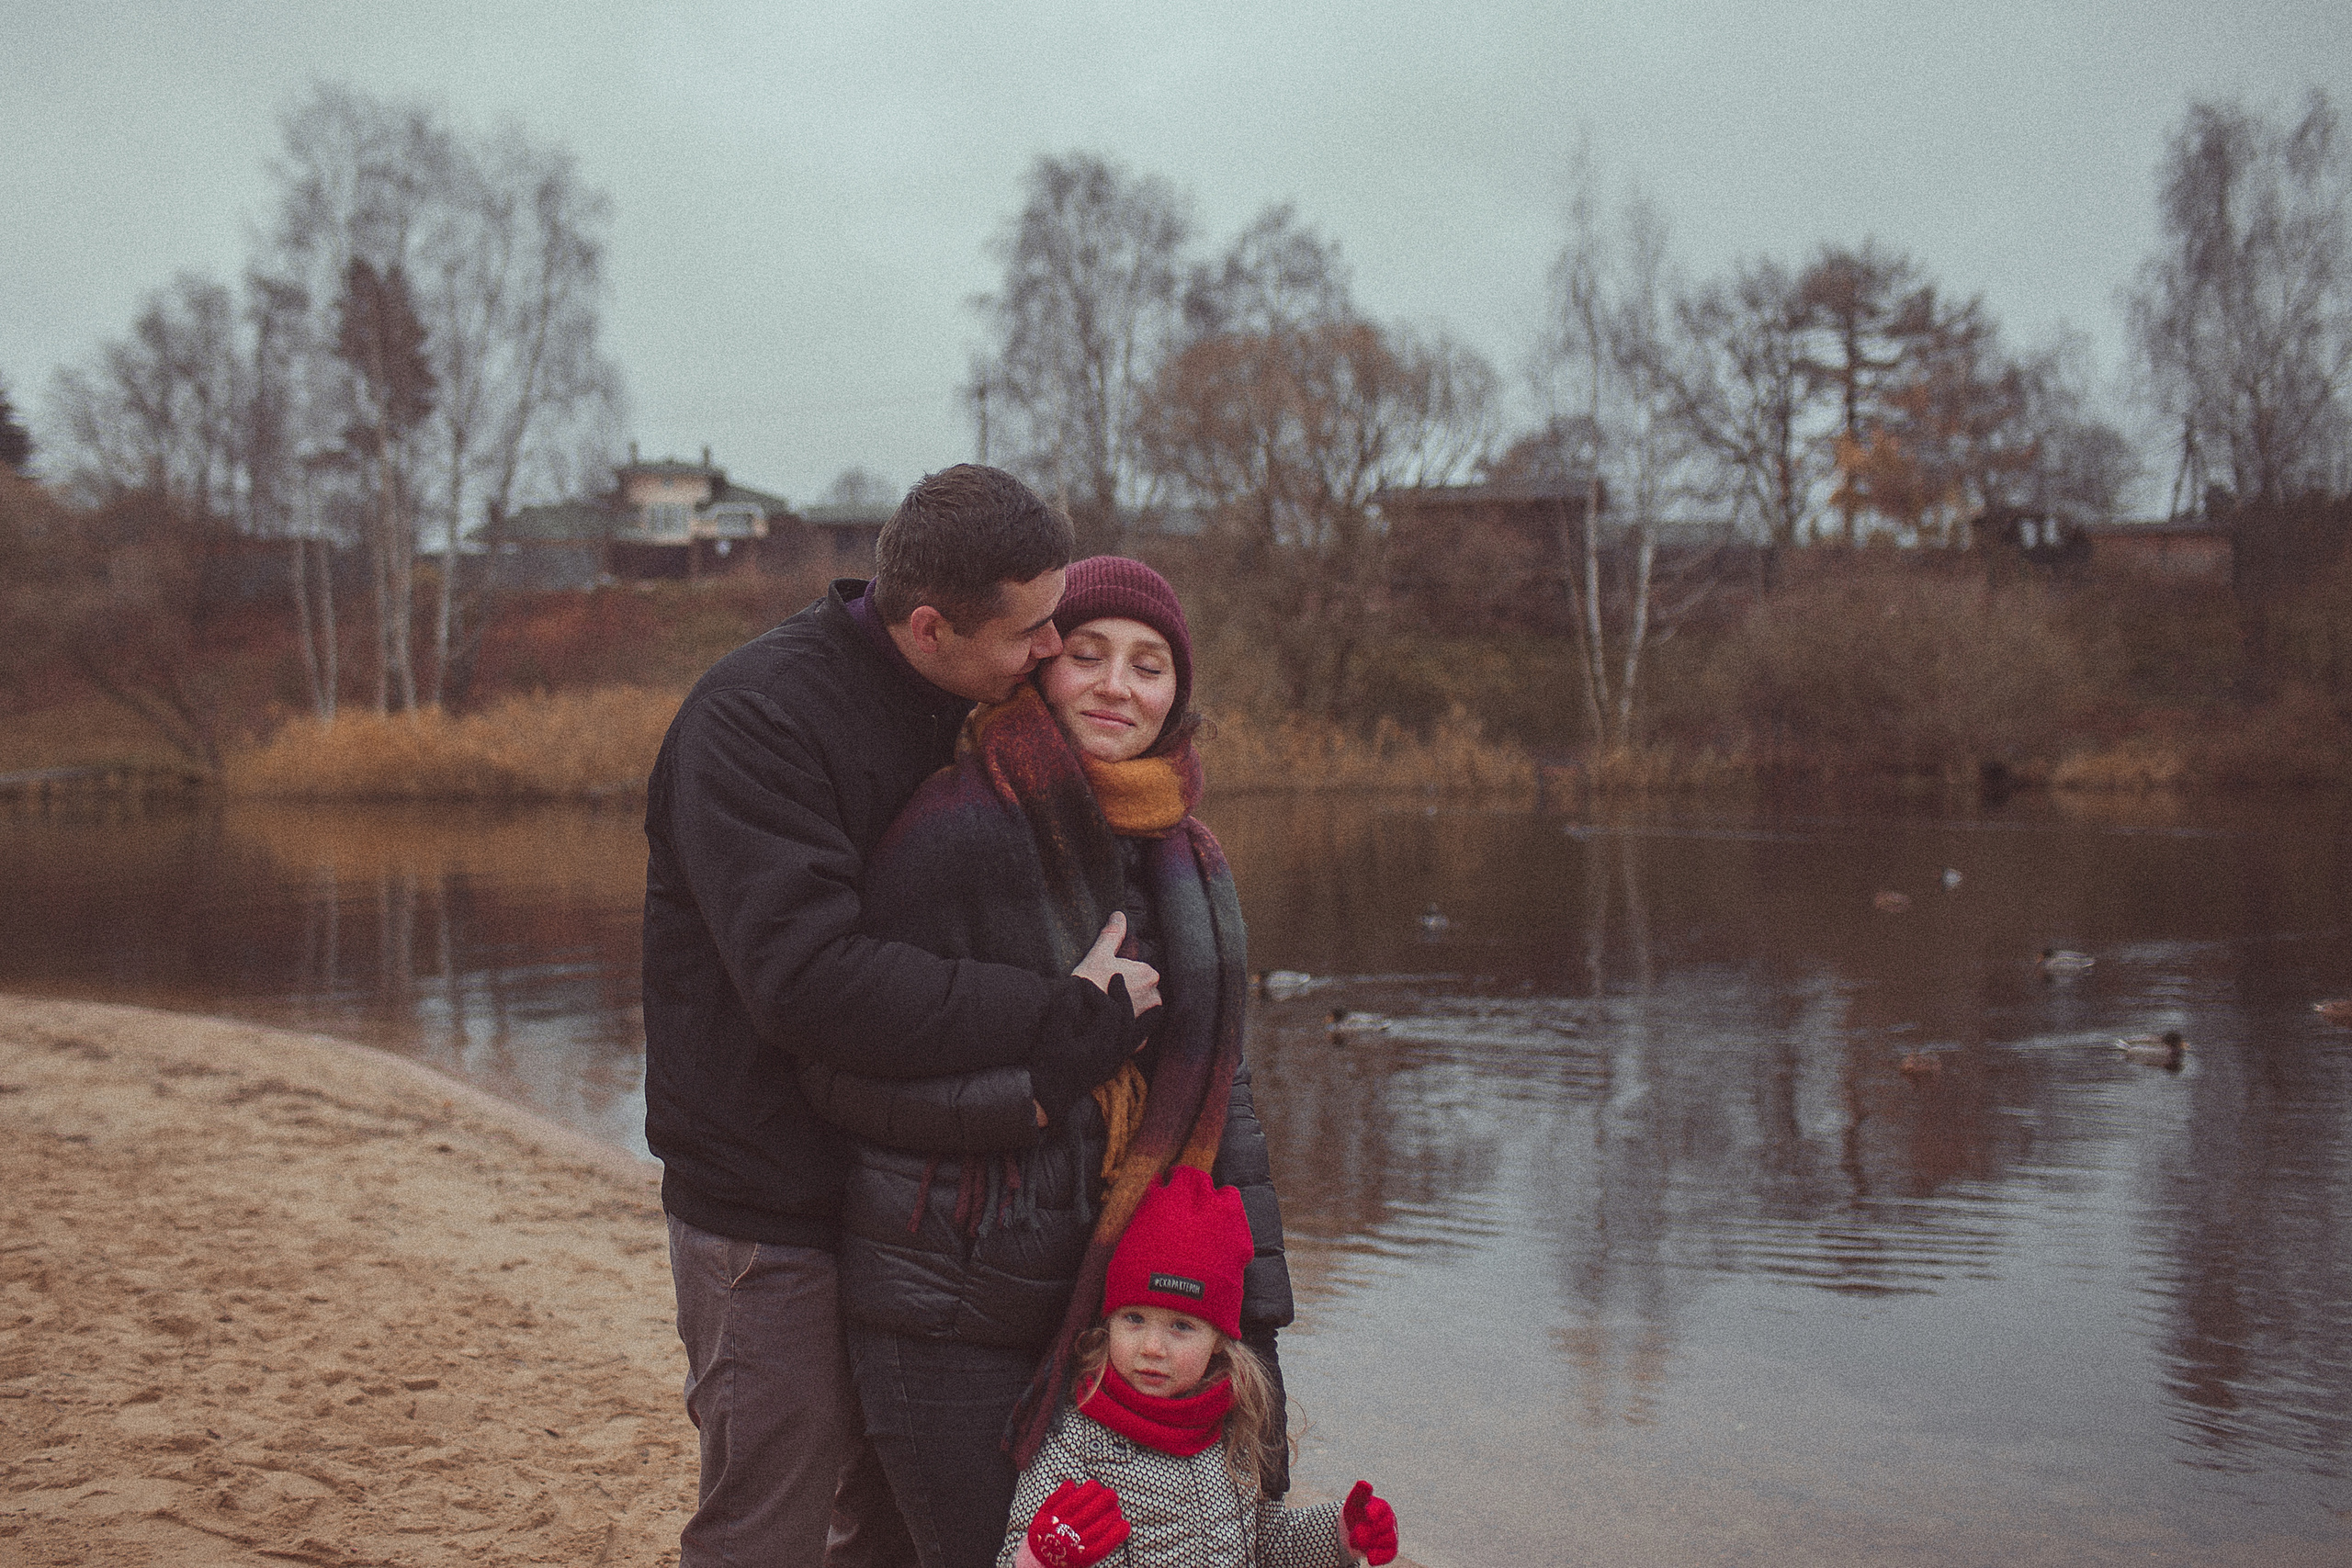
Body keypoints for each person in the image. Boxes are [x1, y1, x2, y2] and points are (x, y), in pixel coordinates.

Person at [642, 468, 1159, 1567]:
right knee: (767, 1520)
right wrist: (1056, 1016)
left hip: (908, 1200)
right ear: (929, 625)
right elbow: (809, 981)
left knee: (886, 1524)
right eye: (1029, 631)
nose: (1049, 650)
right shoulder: (756, 720)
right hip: (765, 1200)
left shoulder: (973, 715)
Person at [797, 556, 1295, 1568]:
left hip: (1112, 1311)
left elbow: (1221, 1105)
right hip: (945, 1310)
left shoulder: (1190, 862)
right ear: (1039, 668)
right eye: (1089, 655)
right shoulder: (948, 833)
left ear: (1177, 694)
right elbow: (841, 1075)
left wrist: (1256, 1331)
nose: (1119, 685)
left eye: (1150, 666)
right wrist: (1044, 1077)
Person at [998, 1167, 1399, 1568]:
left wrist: (1339, 1534)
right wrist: (1038, 1559)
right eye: (1134, 1319)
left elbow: (1257, 1542)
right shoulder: (1073, 1440)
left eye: (1181, 1326)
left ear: (1220, 1339)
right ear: (1109, 1322)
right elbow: (1013, 1552)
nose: (1153, 1348)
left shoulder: (1226, 1429)